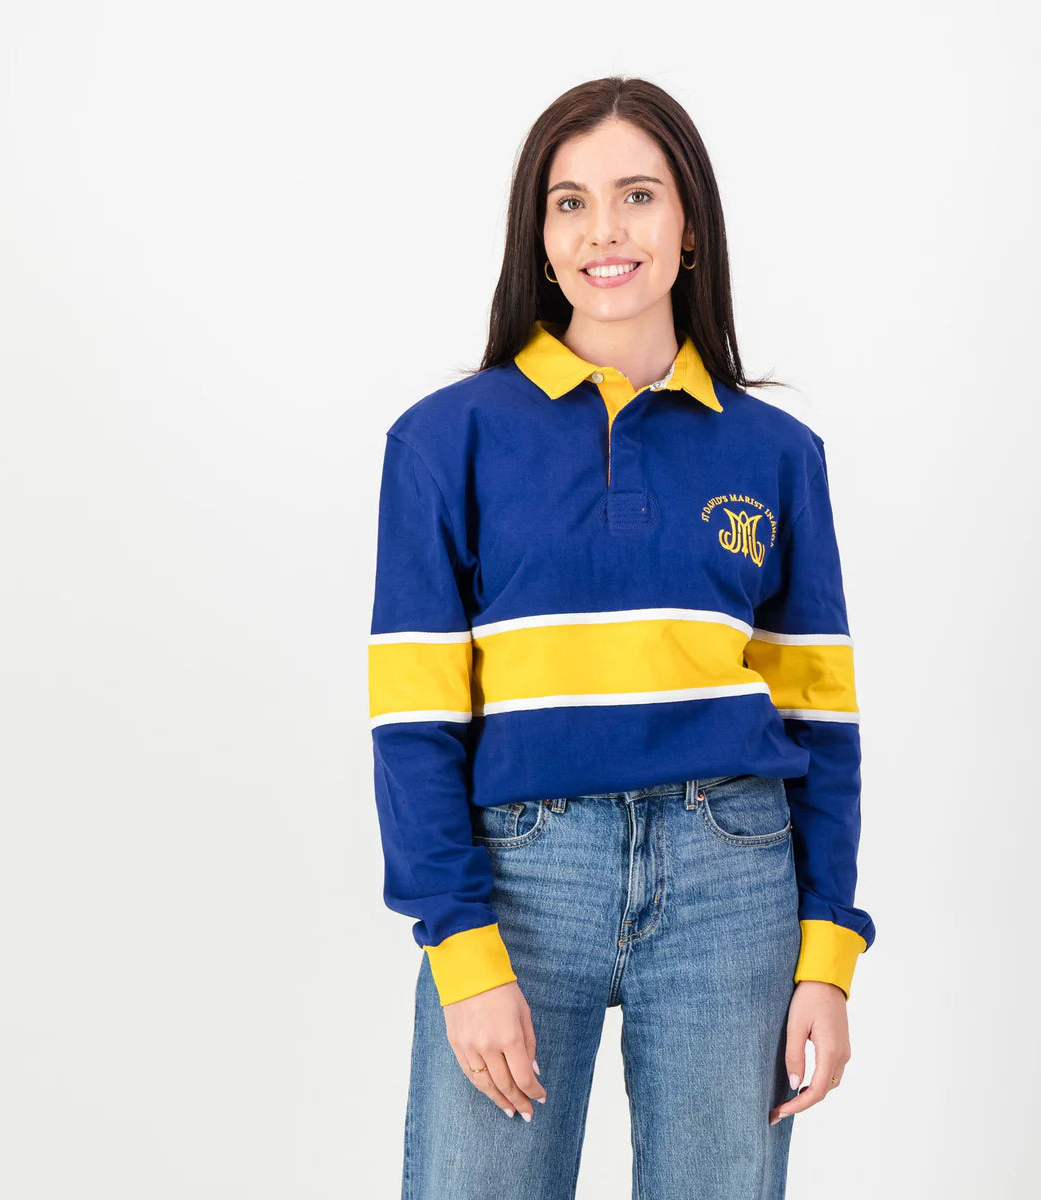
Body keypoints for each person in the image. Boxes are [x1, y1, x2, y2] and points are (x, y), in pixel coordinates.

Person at [367, 75, 876, 1199]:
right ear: (539, 238)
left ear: (690, 226)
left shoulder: (776, 453)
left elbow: (821, 725)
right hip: (519, 874)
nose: (605, 230)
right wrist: (460, 945)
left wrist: (828, 956)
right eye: (571, 203)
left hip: (732, 872)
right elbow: (413, 726)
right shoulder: (444, 441)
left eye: (638, 195)